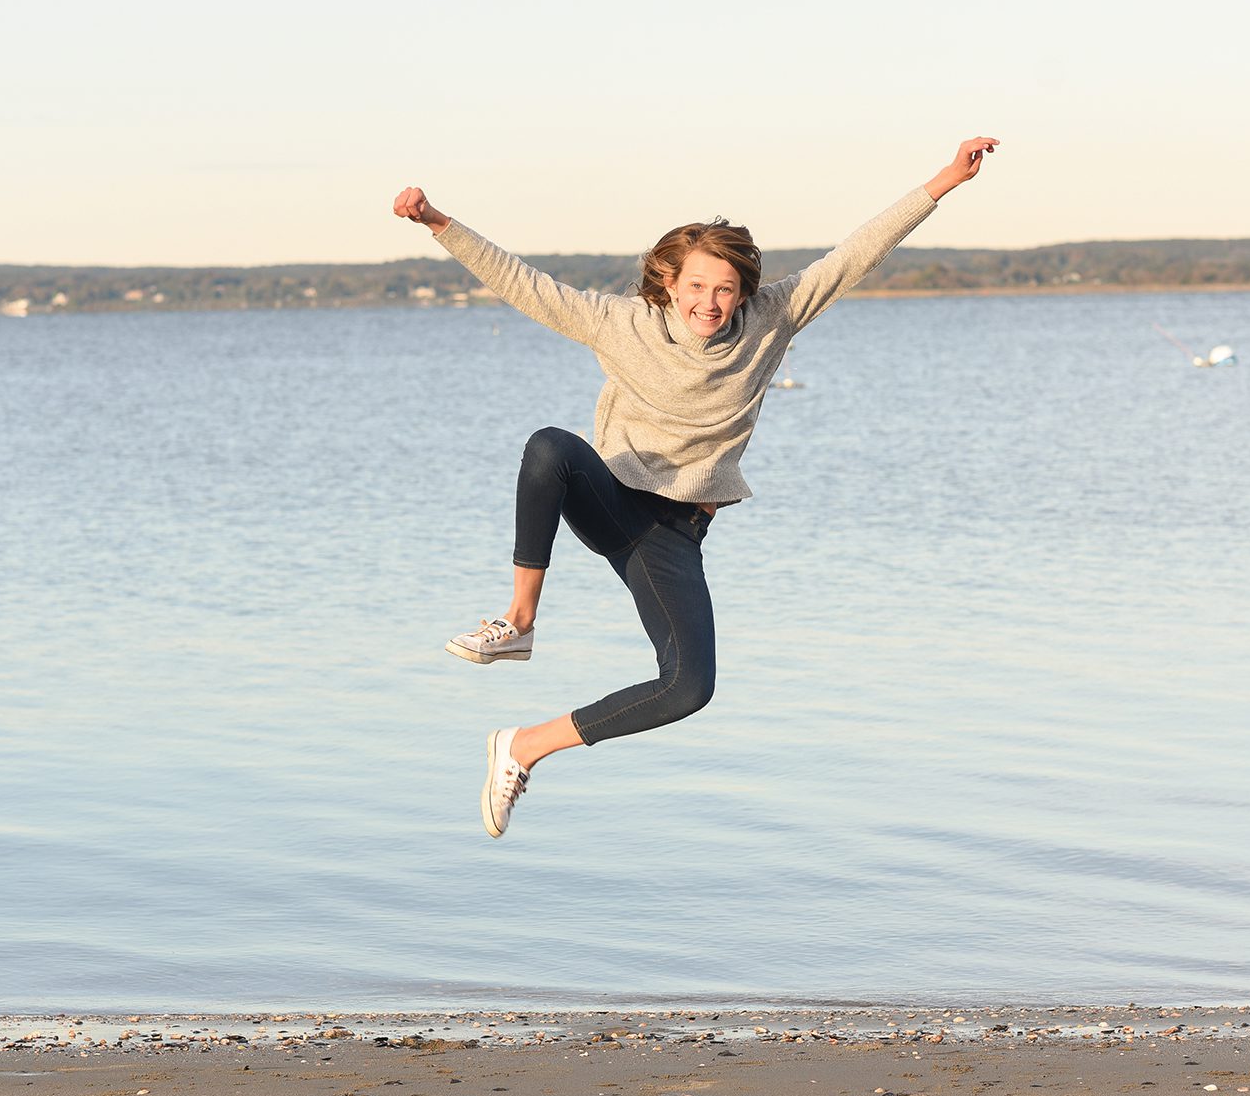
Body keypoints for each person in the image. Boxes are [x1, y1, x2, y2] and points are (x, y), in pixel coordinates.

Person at [393, 137, 998, 838]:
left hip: (674, 532)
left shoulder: (771, 319)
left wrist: (947, 179)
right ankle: (519, 623)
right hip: (611, 499)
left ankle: (523, 746)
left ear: (742, 291)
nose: (710, 303)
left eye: (725, 289)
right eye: (697, 286)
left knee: (690, 686)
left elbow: (858, 253)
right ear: (668, 283)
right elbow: (523, 282)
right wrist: (439, 222)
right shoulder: (621, 323)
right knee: (549, 448)